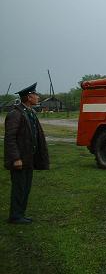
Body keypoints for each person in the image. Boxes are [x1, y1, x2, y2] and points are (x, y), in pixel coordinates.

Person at [4, 83, 49, 224]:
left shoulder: (30, 112)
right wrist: (16, 158)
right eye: (35, 94)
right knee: (19, 188)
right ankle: (15, 216)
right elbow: (10, 138)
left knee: (26, 187)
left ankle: (20, 214)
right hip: (20, 159)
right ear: (29, 97)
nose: (38, 96)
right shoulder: (15, 114)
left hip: (29, 158)